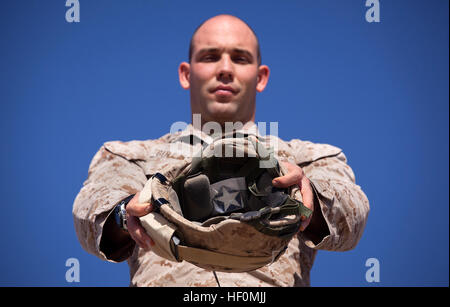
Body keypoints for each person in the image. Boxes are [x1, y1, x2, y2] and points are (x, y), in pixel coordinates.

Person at [73, 14, 370, 287]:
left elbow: (352, 217)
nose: (225, 69)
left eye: (240, 58)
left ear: (261, 76)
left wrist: (309, 200)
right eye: (210, 57)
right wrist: (125, 214)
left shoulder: (306, 159)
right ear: (186, 74)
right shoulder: (134, 157)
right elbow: (90, 210)